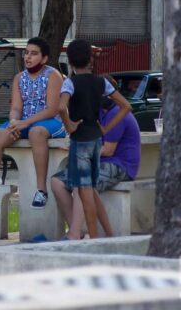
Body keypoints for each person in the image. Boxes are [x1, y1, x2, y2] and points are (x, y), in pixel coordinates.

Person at [58, 39, 132, 239]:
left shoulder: (69, 82)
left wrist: (69, 124)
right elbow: (126, 106)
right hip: (96, 138)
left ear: (71, 62)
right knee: (89, 189)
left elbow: (60, 106)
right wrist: (106, 127)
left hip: (80, 139)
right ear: (90, 59)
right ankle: (101, 235)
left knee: (84, 191)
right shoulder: (102, 82)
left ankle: (94, 236)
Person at [51, 76, 141, 240]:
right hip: (99, 163)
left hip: (119, 165)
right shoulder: (99, 112)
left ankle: (74, 234)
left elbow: (108, 150)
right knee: (57, 182)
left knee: (82, 183)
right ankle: (77, 230)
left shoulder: (117, 114)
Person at [0, 37, 66, 208]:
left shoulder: (53, 75)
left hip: (50, 122)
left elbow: (53, 109)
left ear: (44, 59)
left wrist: (25, 123)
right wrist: (14, 122)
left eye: (34, 54)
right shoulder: (19, 78)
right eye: (26, 53)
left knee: (35, 132)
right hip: (24, 122)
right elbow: (16, 107)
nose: (28, 57)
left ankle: (41, 191)